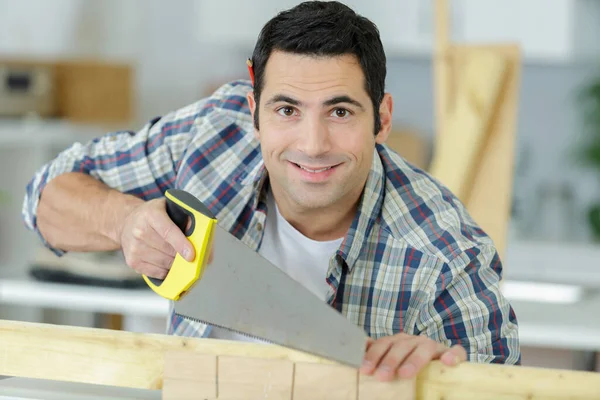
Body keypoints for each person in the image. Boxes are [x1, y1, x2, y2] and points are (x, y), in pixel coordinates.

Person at [22, 0, 520, 382]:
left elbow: (503, 383)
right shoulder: (214, 133)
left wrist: (447, 379)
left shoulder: (446, 256)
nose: (312, 143)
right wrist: (123, 221)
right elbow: (44, 198)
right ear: (254, 107)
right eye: (286, 110)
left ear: (382, 118)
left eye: (340, 111)